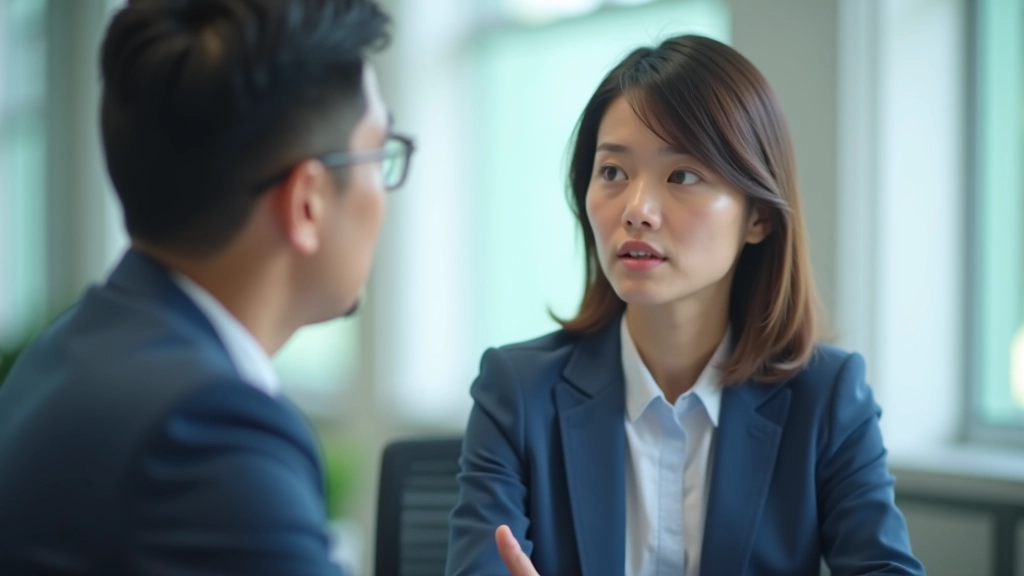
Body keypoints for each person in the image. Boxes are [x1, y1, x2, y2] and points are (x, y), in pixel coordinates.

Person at [446, 35, 924, 576]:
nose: (637, 209)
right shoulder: (517, 392)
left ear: (758, 217)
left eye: (683, 175)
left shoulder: (828, 396)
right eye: (612, 173)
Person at [0, 0, 412, 574]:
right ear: (308, 202)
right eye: (379, 153)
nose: (386, 193)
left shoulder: (68, 350)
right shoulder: (207, 433)